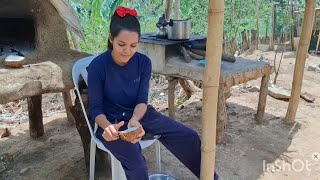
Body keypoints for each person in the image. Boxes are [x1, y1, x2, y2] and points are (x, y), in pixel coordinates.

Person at [88, 6, 218, 180]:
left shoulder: (143, 63)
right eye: (121, 44)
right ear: (111, 39)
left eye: (133, 45)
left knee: (188, 137)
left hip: (141, 115)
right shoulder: (98, 66)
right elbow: (96, 109)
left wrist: (135, 120)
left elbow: (142, 100)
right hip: (113, 123)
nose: (127, 50)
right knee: (137, 163)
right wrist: (108, 127)